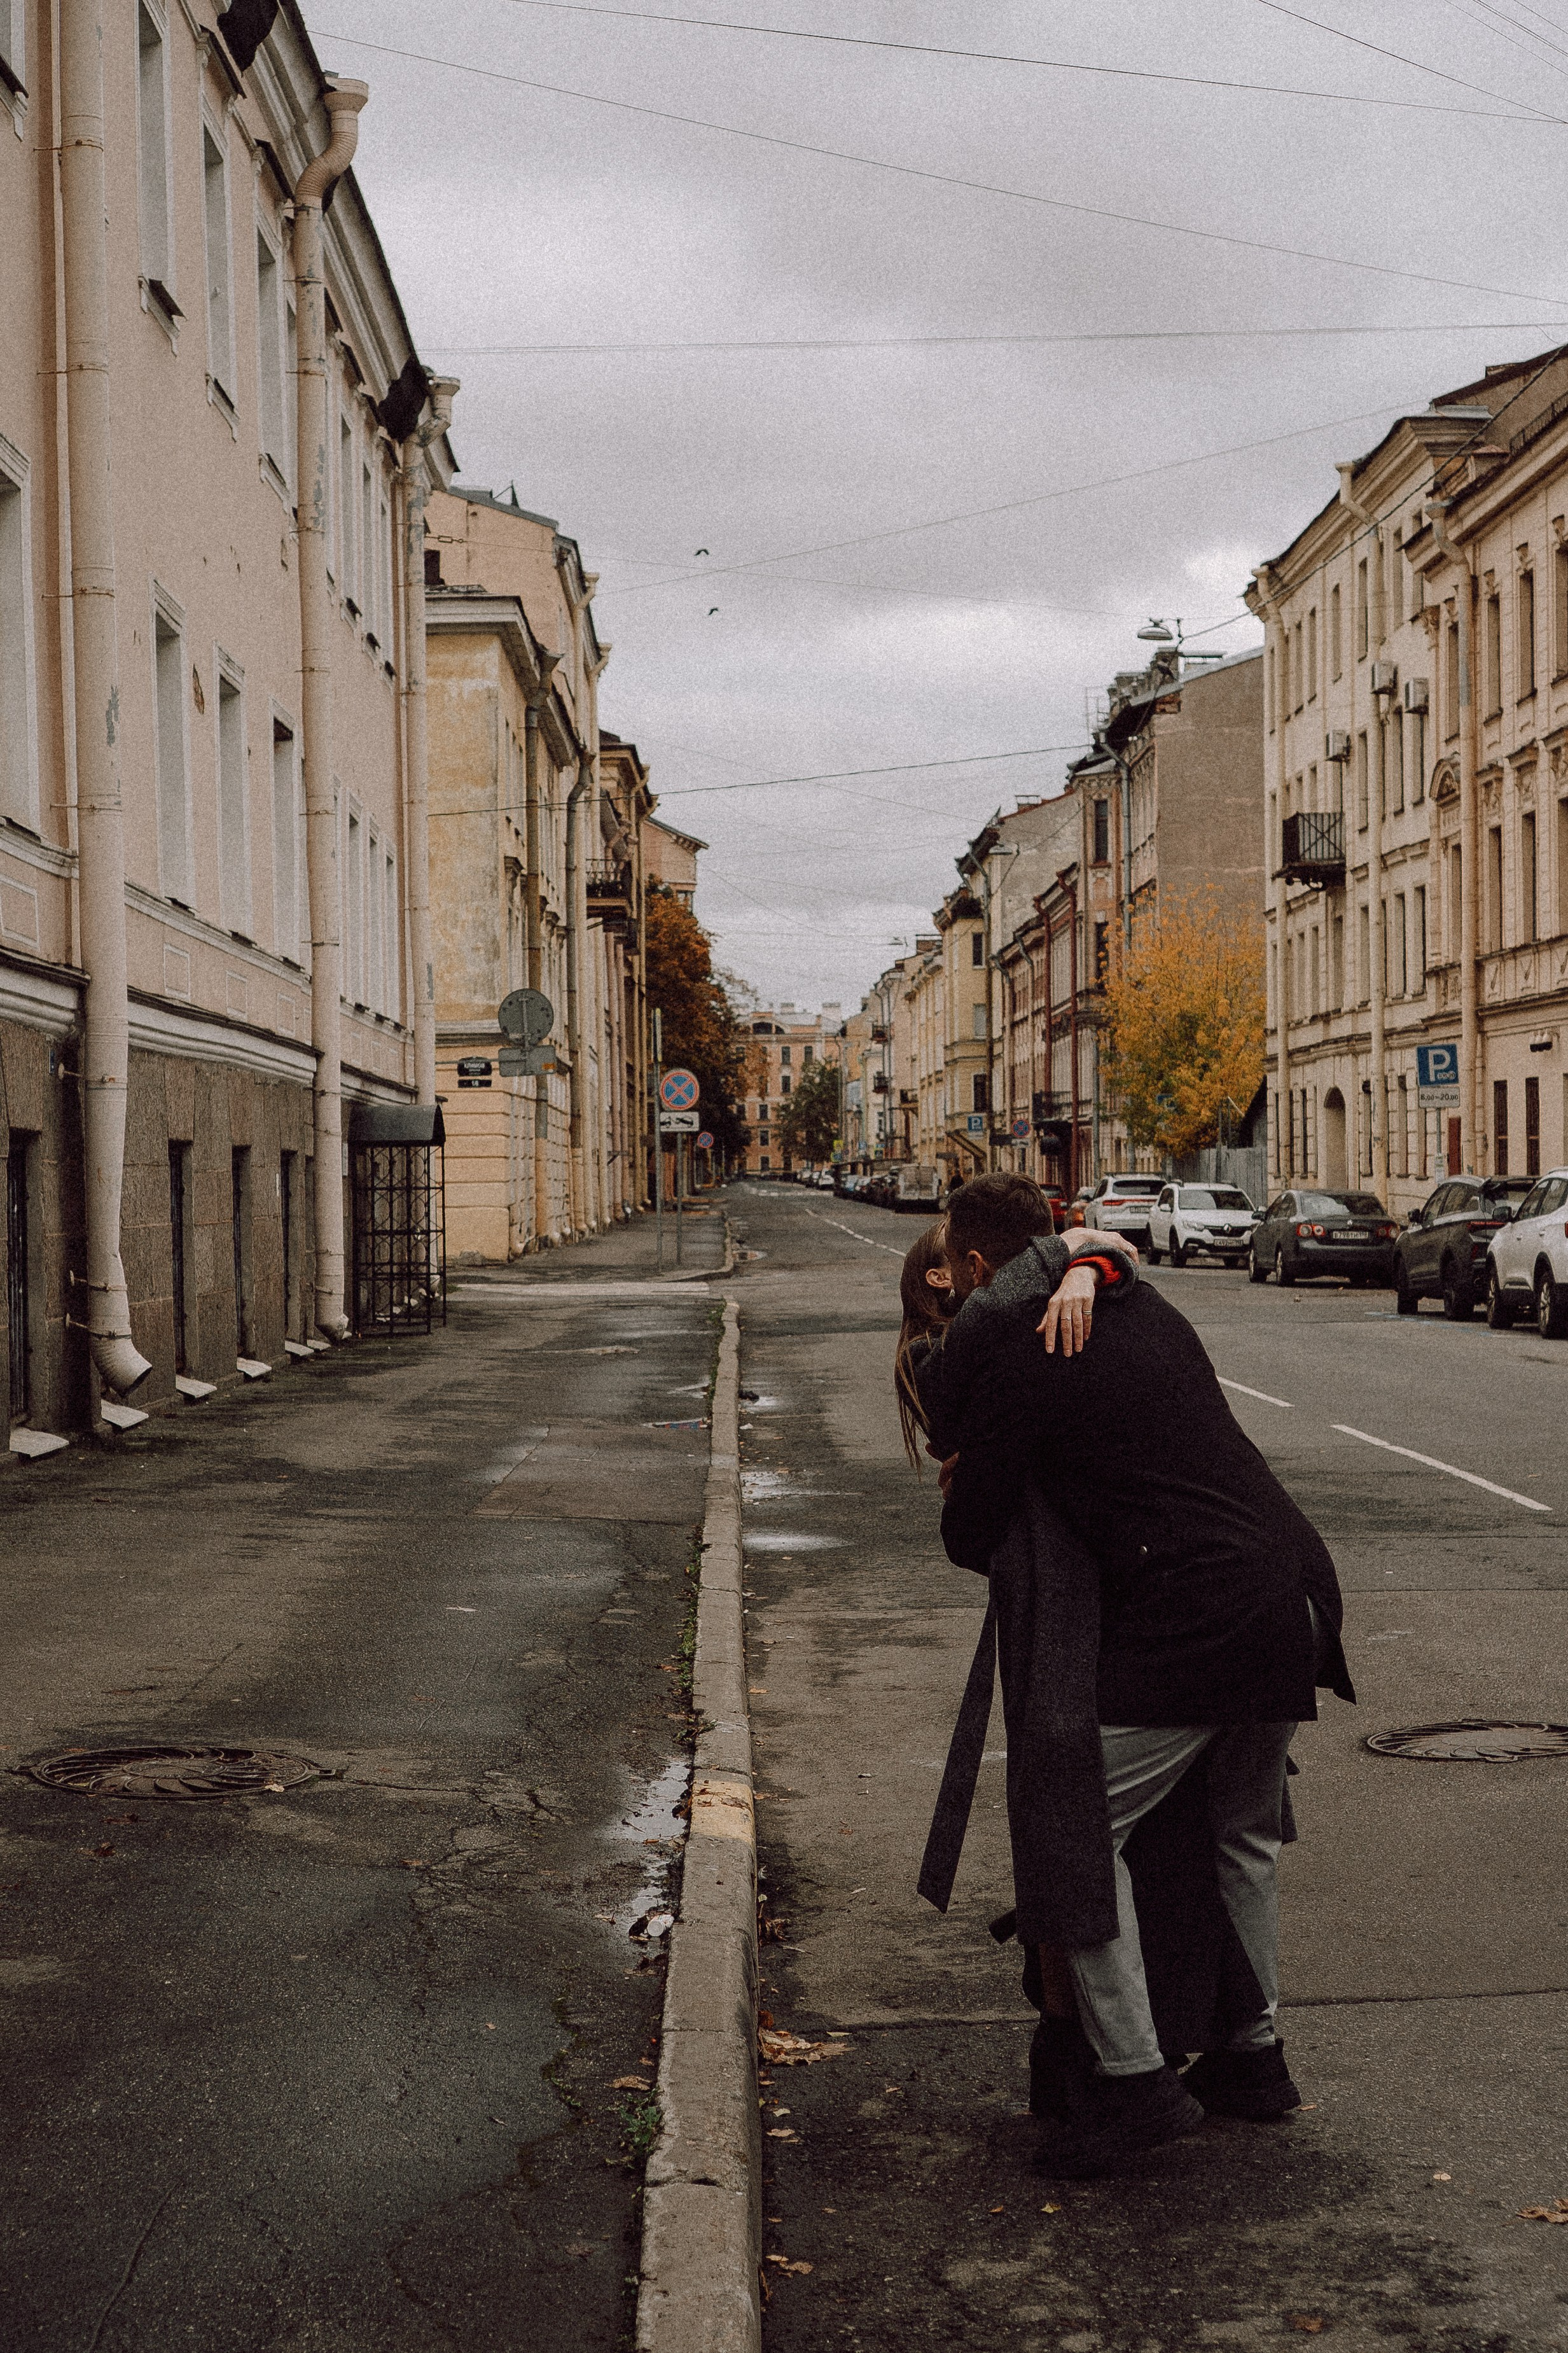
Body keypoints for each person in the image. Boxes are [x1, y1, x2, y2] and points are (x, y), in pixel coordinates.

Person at [919, 1172, 1353, 2178]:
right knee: (1239, 1834)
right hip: (1291, 1596)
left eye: (956, 1278)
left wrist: (972, 1461)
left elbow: (968, 1531)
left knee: (1074, 1823)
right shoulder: (1129, 1293)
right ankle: (1252, 2058)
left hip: (1200, 1618)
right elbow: (1099, 1260)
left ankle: (1134, 2079)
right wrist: (1086, 1255)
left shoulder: (1026, 1345)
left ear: (982, 1268)